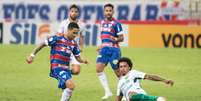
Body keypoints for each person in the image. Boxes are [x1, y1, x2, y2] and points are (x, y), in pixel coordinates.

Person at [26, 22, 88, 101]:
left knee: (66, 90)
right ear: (68, 30)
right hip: (57, 67)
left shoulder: (73, 44)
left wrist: (83, 61)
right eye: (74, 33)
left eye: (76, 33)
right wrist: (32, 55)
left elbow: (77, 57)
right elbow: (42, 44)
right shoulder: (57, 38)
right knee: (71, 86)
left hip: (66, 69)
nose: (75, 35)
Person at [96, 3, 124, 100]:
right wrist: (101, 45)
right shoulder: (102, 22)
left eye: (110, 10)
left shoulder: (117, 23)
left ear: (113, 12)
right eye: (106, 10)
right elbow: (104, 37)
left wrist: (115, 39)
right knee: (98, 69)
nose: (108, 12)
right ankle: (107, 92)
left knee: (118, 72)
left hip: (114, 50)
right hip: (104, 49)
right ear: (104, 12)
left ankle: (123, 94)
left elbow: (122, 38)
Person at [58, 4, 85, 75]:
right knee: (64, 68)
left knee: (76, 71)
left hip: (75, 50)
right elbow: (59, 35)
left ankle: (65, 73)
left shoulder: (81, 24)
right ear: (69, 12)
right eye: (72, 11)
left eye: (76, 11)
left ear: (78, 13)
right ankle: (65, 76)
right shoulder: (64, 23)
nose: (74, 13)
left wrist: (81, 47)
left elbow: (81, 36)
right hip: (64, 49)